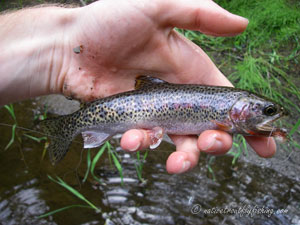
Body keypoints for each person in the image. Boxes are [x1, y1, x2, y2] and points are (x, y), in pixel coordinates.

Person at [0, 0, 276, 174]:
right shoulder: (227, 114)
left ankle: (68, 126)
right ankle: (68, 126)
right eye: (267, 111)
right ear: (243, 109)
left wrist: (62, 46)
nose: (268, 116)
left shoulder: (231, 114)